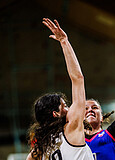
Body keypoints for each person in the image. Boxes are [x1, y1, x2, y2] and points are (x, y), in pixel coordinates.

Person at [26, 18, 94, 160]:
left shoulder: (43, 147)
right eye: (64, 105)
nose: (70, 108)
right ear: (56, 113)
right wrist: (64, 42)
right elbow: (78, 79)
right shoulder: (71, 128)